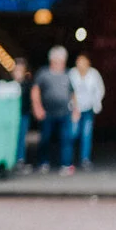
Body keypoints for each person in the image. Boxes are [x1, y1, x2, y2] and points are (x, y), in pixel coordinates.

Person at [32, 45, 77, 175]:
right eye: (58, 60)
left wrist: (76, 109)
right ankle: (43, 162)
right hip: (48, 111)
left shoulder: (68, 74)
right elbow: (36, 91)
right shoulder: (43, 73)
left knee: (66, 138)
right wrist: (37, 107)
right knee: (45, 138)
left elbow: (72, 93)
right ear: (52, 60)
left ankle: (66, 164)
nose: (61, 63)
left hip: (65, 111)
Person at [70, 52, 104, 169]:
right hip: (75, 109)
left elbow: (100, 89)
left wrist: (97, 103)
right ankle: (69, 158)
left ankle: (85, 159)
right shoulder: (72, 73)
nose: (81, 64)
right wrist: (73, 106)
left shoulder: (94, 74)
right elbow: (69, 90)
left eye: (84, 61)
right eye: (79, 61)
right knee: (73, 133)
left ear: (88, 63)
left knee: (86, 134)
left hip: (88, 108)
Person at [11, 57, 33, 170]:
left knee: (21, 137)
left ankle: (20, 159)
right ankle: (11, 159)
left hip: (23, 114)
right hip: (11, 117)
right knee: (12, 137)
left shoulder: (27, 85)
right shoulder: (9, 85)